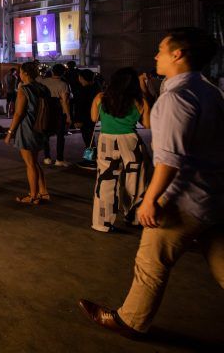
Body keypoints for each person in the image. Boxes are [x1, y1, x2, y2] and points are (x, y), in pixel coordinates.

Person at [79, 27, 224, 338]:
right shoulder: (210, 91)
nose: (156, 55)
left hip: (183, 199)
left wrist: (151, 199)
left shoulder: (176, 98)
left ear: (178, 54)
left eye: (161, 49)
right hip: (212, 194)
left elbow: (170, 159)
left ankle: (130, 320)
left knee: (150, 261)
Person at [90, 67, 152, 233]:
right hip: (130, 142)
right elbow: (147, 124)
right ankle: (133, 217)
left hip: (106, 142)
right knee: (136, 181)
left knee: (105, 181)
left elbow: (93, 118)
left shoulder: (101, 97)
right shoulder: (140, 101)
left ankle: (102, 222)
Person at [5, 62, 50, 205]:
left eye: (20, 72)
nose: (19, 74)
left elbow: (18, 113)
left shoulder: (24, 89)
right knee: (35, 162)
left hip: (27, 128)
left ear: (25, 73)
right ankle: (43, 192)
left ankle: (33, 195)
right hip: (40, 127)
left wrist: (10, 132)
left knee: (30, 164)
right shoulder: (42, 88)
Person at [37, 64, 72, 167]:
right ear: (63, 73)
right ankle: (59, 159)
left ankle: (47, 157)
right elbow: (64, 101)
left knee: (45, 134)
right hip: (58, 110)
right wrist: (68, 115)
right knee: (60, 135)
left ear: (52, 71)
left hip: (45, 110)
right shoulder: (63, 84)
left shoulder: (43, 81)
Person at [75, 69, 99, 169]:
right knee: (90, 138)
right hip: (93, 117)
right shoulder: (96, 88)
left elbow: (80, 106)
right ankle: (91, 159)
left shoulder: (83, 90)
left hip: (85, 118)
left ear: (82, 78)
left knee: (88, 139)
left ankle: (90, 160)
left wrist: (78, 120)